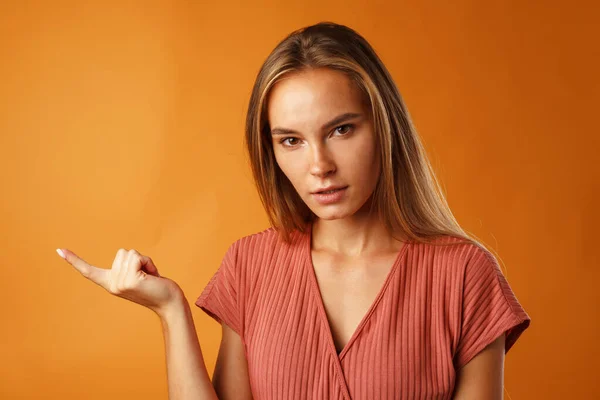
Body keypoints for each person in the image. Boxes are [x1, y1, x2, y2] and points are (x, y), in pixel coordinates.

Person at [57, 22, 531, 399]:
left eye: (341, 130)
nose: (319, 166)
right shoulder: (250, 266)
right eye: (291, 140)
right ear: (272, 152)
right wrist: (170, 310)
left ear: (384, 127)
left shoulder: (465, 275)